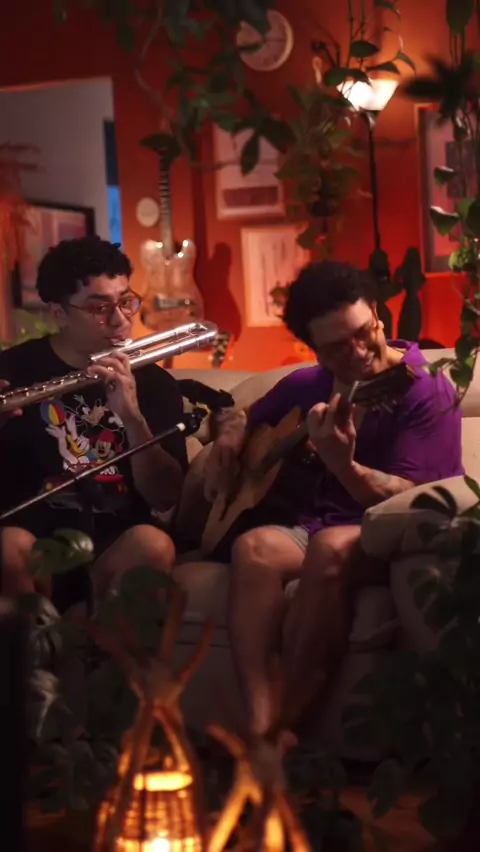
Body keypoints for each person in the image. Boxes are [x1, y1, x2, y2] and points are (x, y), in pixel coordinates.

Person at [203, 260, 464, 739]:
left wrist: (345, 466)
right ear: (315, 351)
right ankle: (259, 716)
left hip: (398, 533)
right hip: (317, 521)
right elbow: (237, 411)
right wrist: (230, 437)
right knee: (254, 549)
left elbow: (410, 500)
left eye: (364, 333)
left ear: (378, 316)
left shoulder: (424, 389)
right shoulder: (311, 384)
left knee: (329, 547)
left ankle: (282, 731)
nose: (359, 352)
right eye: (338, 348)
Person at [0, 236, 188, 608]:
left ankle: (104, 644)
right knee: (9, 547)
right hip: (34, 541)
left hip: (114, 540)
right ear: (59, 313)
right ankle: (38, 644)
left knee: (154, 544)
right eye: (99, 308)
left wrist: (132, 418)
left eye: (125, 301)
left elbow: (165, 496)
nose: (120, 320)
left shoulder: (155, 383)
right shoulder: (12, 370)